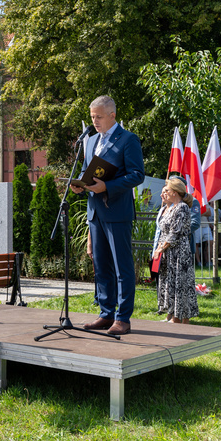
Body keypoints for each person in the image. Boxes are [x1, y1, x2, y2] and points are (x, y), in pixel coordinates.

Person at [70, 95, 145, 336]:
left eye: (99, 117)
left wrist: (108, 187)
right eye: (92, 117)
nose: (94, 122)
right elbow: (86, 170)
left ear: (112, 115)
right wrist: (80, 184)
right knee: (101, 265)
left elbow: (137, 175)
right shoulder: (90, 140)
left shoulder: (128, 139)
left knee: (121, 266)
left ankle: (123, 318)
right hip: (95, 211)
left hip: (117, 211)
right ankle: (106, 313)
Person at [153, 177, 199, 323]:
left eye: (167, 190)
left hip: (179, 253)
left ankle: (180, 319)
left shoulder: (182, 207)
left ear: (174, 192)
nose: (164, 193)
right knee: (170, 284)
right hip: (167, 253)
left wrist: (161, 248)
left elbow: (175, 232)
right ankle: (173, 315)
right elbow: (163, 231)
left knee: (181, 285)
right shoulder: (169, 208)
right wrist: (159, 249)